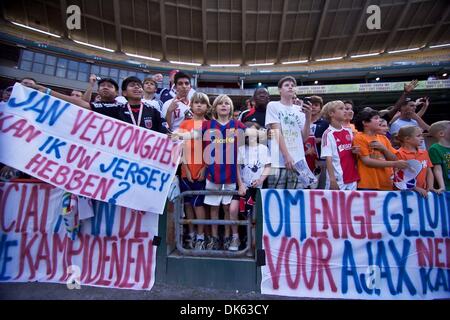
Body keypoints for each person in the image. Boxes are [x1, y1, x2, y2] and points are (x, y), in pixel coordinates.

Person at [31, 76, 169, 134]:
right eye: (133, 86)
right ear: (124, 93)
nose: (138, 88)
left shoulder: (153, 111)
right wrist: (49, 92)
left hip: (147, 160)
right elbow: (83, 104)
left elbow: (167, 134)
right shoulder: (117, 108)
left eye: (139, 86)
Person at [202, 94, 246, 250]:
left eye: (227, 103)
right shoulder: (207, 125)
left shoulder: (239, 126)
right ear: (214, 107)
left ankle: (228, 237)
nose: (223, 105)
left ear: (231, 107)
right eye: (220, 103)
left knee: (228, 208)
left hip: (232, 174)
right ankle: (214, 238)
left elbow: (241, 152)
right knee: (213, 208)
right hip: (212, 173)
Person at [172, 92, 210, 250]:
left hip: (202, 171)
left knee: (199, 205)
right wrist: (185, 168)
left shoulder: (210, 125)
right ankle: (191, 233)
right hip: (186, 170)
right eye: (196, 102)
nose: (199, 105)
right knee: (188, 204)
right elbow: (180, 149)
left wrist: (205, 168)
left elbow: (213, 150)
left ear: (208, 107)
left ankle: (201, 236)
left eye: (202, 103)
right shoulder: (184, 125)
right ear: (191, 105)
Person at [265, 76, 312, 189]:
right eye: (287, 85)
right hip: (278, 162)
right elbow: (276, 131)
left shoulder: (300, 110)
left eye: (292, 85)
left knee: (295, 201)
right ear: (280, 90)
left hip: (298, 162)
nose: (290, 87)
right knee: (276, 201)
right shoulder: (273, 105)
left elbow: (304, 138)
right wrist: (287, 156)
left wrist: (308, 117)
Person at [230, 121, 271, 251]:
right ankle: (235, 237)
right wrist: (241, 184)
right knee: (233, 209)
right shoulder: (241, 148)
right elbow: (236, 168)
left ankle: (253, 240)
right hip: (243, 187)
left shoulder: (264, 149)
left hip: (257, 188)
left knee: (254, 216)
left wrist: (261, 179)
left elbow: (268, 166)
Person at [353, 108, 409, 190]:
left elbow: (395, 158)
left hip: (386, 182)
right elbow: (367, 161)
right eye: (376, 118)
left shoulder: (383, 138)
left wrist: (384, 149)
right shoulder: (359, 137)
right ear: (365, 123)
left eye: (379, 118)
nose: (380, 120)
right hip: (368, 184)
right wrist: (394, 164)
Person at [320, 101, 359, 190]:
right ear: (331, 113)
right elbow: (328, 159)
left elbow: (350, 153)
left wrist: (354, 151)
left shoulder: (348, 131)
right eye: (341, 109)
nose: (345, 111)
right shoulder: (328, 134)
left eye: (345, 108)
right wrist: (332, 180)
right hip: (338, 180)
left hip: (352, 177)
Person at [395, 126, 434, 197]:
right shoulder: (399, 154)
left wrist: (430, 187)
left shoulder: (424, 153)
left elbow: (429, 171)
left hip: (423, 191)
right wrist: (414, 188)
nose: (422, 138)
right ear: (407, 139)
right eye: (418, 136)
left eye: (422, 135)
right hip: (406, 193)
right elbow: (398, 176)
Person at [428, 121, 450, 192]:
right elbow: (437, 169)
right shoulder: (435, 149)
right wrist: (442, 187)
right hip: (448, 187)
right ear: (441, 133)